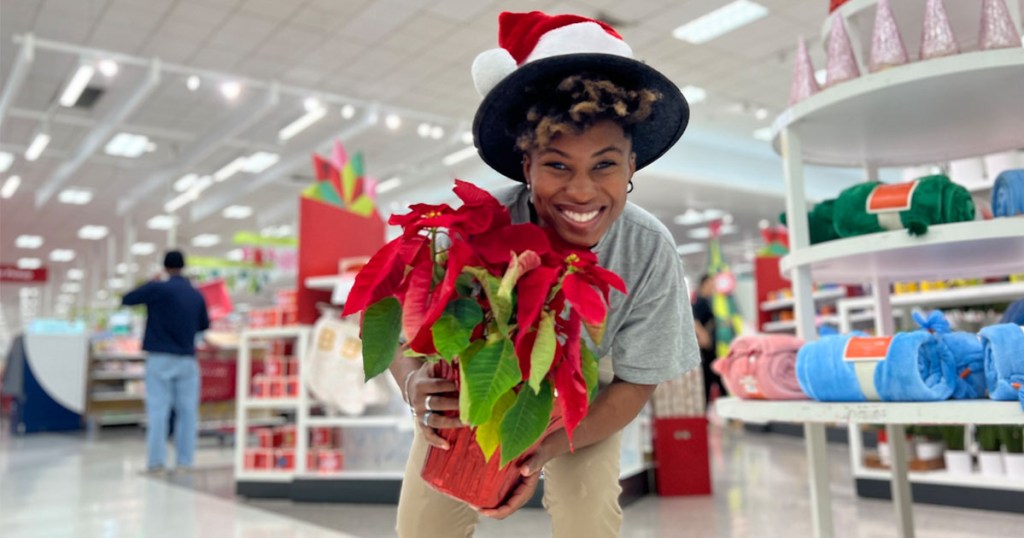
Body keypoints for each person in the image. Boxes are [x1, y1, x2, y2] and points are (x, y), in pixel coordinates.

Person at [390, 12, 700, 537]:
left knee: (589, 515)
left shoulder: (648, 250)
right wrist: (414, 382)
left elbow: (638, 379)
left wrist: (545, 447)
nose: (581, 191)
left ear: (632, 168)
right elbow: (405, 337)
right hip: (474, 381)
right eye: (558, 165)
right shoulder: (474, 228)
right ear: (526, 164)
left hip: (589, 396)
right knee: (425, 526)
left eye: (604, 165)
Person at [122, 250, 210, 473]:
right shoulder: (195, 294)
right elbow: (203, 326)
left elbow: (127, 299)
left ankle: (156, 462)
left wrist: (150, 283)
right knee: (188, 412)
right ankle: (185, 461)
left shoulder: (157, 289)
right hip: (187, 359)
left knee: (158, 411)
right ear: (184, 266)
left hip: (160, 358)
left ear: (164, 267)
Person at [692, 273, 726, 404]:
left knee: (712, 376)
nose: (713, 288)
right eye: (711, 284)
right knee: (712, 375)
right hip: (706, 347)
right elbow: (694, 320)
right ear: (703, 285)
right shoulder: (700, 301)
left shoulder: (706, 301)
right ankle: (708, 409)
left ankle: (708, 409)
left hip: (710, 346)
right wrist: (703, 336)